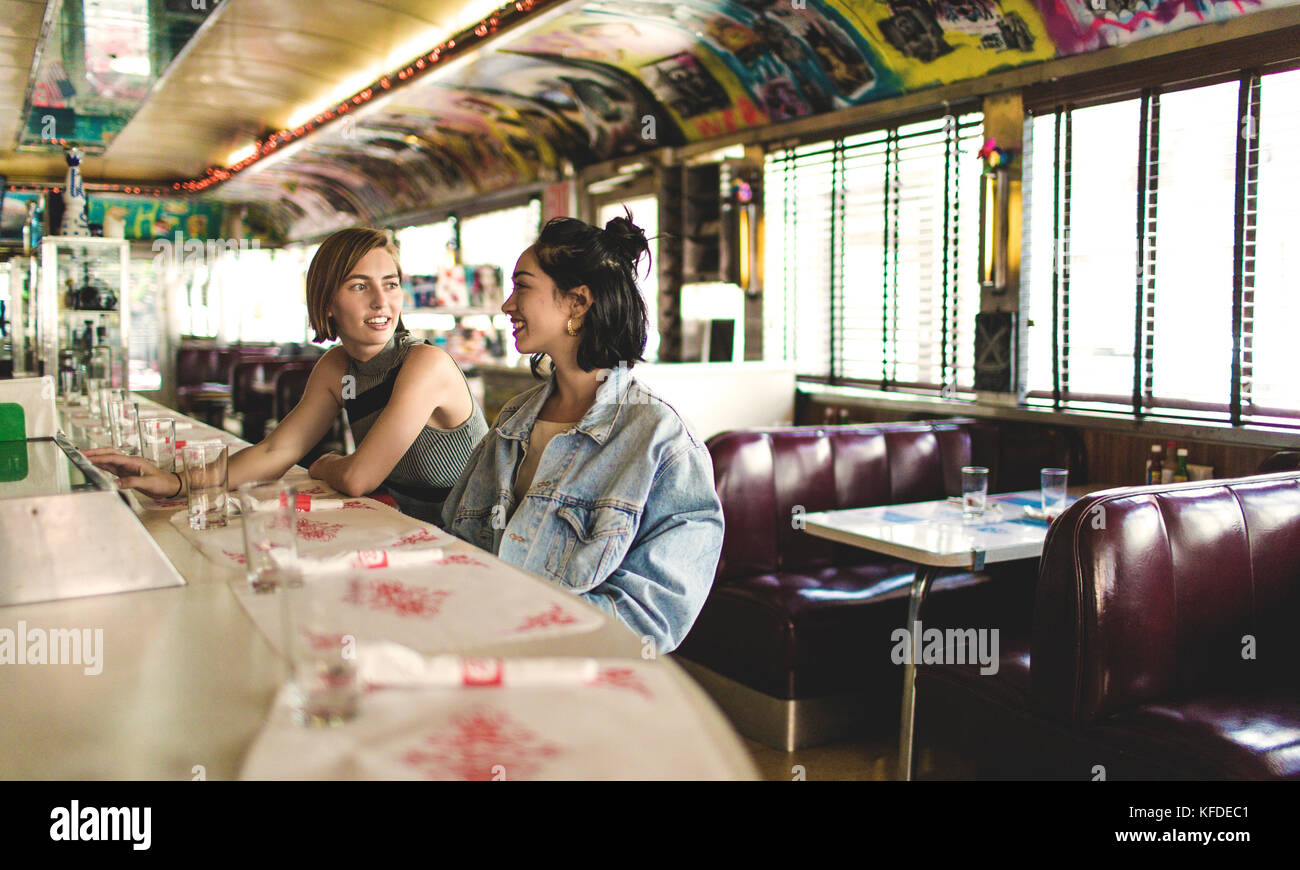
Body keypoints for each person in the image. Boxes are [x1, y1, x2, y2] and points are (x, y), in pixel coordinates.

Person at [440, 213, 723, 653]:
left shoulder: (660, 442)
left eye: (523, 286)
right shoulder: (513, 420)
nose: (506, 305)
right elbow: (457, 541)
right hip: (477, 651)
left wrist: (525, 632)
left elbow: (653, 614)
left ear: (577, 303)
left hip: (572, 671)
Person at [86, 227, 488, 524]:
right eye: (360, 286)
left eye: (391, 285)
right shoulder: (336, 366)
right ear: (327, 301)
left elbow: (356, 477)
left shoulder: (425, 363)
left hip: (475, 535)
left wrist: (325, 463)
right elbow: (275, 452)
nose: (381, 301)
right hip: (413, 525)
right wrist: (175, 482)